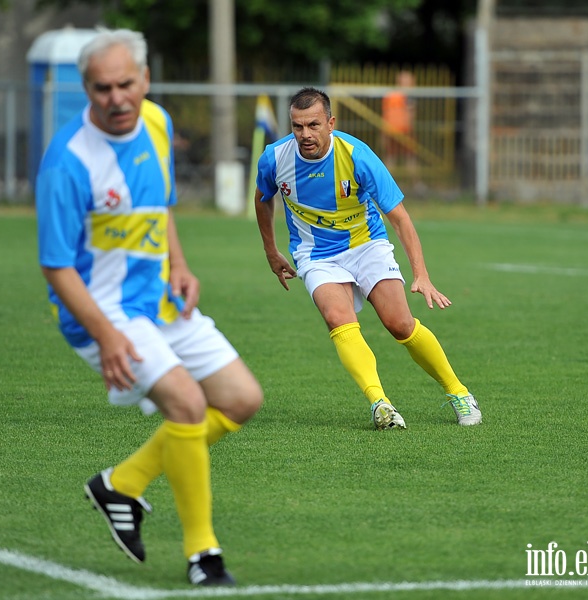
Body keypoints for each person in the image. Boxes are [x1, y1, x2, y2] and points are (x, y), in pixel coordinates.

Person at [35, 28, 263, 587]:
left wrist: (179, 265)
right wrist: (108, 338)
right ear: (85, 89)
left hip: (157, 299)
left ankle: (123, 484)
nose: (115, 98)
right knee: (186, 403)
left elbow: (160, 208)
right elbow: (57, 268)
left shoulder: (157, 124)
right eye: (101, 88)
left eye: (125, 84)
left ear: (146, 80)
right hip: (101, 313)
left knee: (240, 399)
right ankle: (203, 557)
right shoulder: (67, 162)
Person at [253, 87, 480, 430]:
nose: (305, 135)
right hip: (315, 255)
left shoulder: (357, 155)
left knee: (400, 324)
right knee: (337, 317)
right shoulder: (274, 158)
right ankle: (380, 403)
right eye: (297, 126)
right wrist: (271, 251)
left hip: (366, 245)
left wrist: (421, 274)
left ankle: (459, 392)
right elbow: (262, 198)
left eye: (313, 125)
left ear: (331, 123)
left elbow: (400, 217)